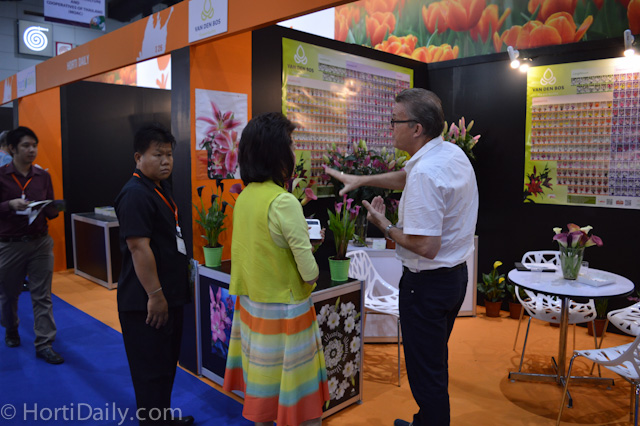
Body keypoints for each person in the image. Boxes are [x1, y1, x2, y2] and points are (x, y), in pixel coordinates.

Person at [324, 88, 479, 426]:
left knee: (426, 375)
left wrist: (385, 226)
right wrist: (362, 179)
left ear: (417, 128)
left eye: (395, 121)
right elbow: (407, 176)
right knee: (433, 362)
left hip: (426, 287)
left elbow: (426, 247)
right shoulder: (448, 154)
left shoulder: (426, 173)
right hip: (453, 279)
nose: (390, 127)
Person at [223, 112, 329, 426]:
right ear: (277, 152)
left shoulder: (245, 197)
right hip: (286, 314)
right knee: (298, 402)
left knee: (264, 393)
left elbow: (260, 252)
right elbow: (310, 273)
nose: (294, 151)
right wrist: (310, 248)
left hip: (253, 310)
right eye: (291, 144)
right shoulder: (284, 202)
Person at [114, 124, 194, 426]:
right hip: (146, 302)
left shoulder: (158, 188)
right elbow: (138, 248)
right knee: (150, 373)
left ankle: (162, 419)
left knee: (164, 367)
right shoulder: (135, 194)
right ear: (138, 157)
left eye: (169, 154)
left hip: (167, 297)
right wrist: (156, 296)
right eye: (157, 154)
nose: (165, 161)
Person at [0, 126, 62, 364]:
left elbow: (51, 211)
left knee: (42, 295)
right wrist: (9, 205)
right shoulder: (1, 175)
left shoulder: (42, 176)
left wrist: (53, 207)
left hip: (40, 243)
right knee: (9, 295)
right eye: (26, 146)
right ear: (12, 148)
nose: (31, 150)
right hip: (9, 245)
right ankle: (11, 328)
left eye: (34, 146)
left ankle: (44, 343)